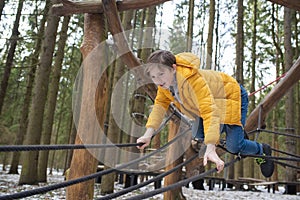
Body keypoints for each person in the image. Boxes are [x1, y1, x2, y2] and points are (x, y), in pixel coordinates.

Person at [136, 50, 274, 177]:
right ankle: (231, 131)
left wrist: (211, 147)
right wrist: (148, 135)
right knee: (198, 134)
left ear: (173, 68)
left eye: (161, 74)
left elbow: (209, 111)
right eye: (154, 76)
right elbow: (159, 106)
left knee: (234, 147)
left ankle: (260, 150)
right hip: (212, 102)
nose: (158, 80)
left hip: (231, 95)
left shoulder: (192, 81)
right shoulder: (164, 86)